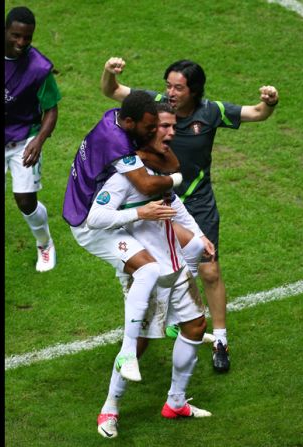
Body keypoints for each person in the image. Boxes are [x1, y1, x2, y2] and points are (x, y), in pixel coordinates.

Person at [101, 57, 280, 372]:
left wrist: (270, 102)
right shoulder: (155, 104)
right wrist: (109, 73)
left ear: (194, 91)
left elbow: (257, 113)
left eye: (178, 87)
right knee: (146, 272)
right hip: (156, 201)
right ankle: (140, 335)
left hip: (196, 203)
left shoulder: (211, 112)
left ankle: (221, 341)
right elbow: (112, 91)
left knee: (209, 271)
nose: (170, 92)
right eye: (168, 84)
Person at [87, 107, 216, 438]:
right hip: (149, 273)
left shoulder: (157, 171)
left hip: (176, 268)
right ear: (147, 132)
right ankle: (109, 410)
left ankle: (175, 401)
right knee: (140, 344)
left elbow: (176, 205)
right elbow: (96, 217)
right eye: (164, 127)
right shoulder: (125, 177)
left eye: (174, 126)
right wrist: (138, 214)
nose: (172, 133)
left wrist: (199, 235)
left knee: (195, 325)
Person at [63, 91, 184, 382]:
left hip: (99, 210)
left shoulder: (113, 117)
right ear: (129, 122)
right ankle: (128, 352)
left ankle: (167, 321)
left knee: (150, 266)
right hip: (90, 224)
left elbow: (169, 163)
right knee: (149, 268)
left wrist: (149, 154)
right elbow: (147, 184)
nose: (156, 132)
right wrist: (174, 183)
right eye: (150, 128)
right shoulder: (117, 142)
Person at [4, 6, 61, 272]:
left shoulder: (39, 67)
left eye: (27, 37)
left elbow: (51, 109)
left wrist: (38, 141)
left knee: (25, 201)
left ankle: (45, 244)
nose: (22, 43)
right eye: (16, 36)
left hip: (24, 137)